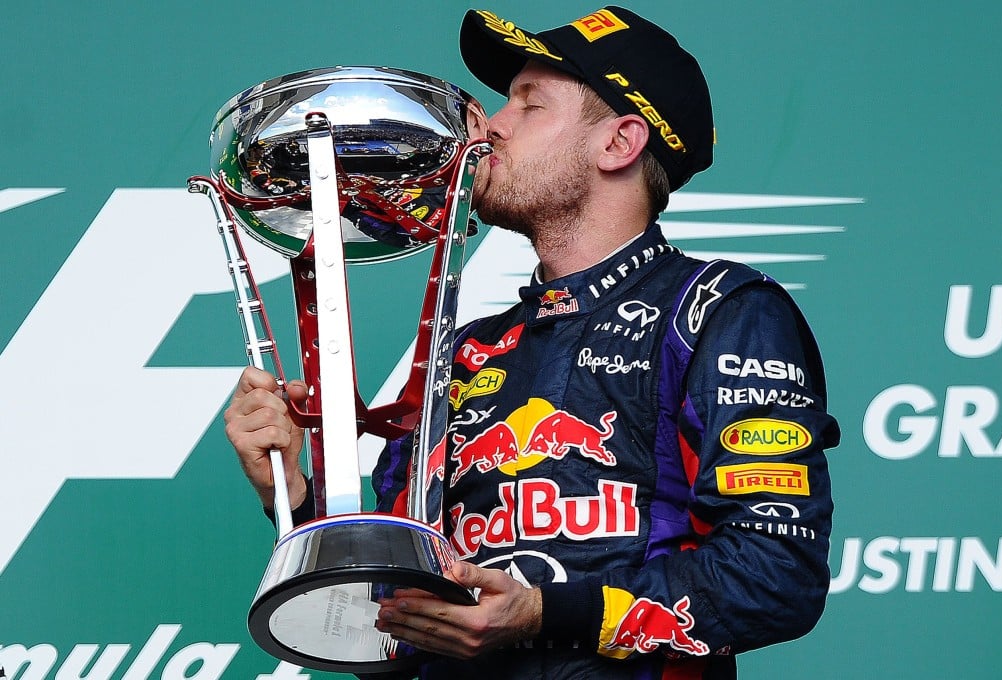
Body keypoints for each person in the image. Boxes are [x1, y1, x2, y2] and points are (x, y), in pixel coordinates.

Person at [225, 6, 840, 679]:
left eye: (529, 104)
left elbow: (776, 576)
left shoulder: (717, 311)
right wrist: (294, 490)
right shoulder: (462, 353)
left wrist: (545, 611)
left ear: (618, 143)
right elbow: (389, 613)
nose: (490, 126)